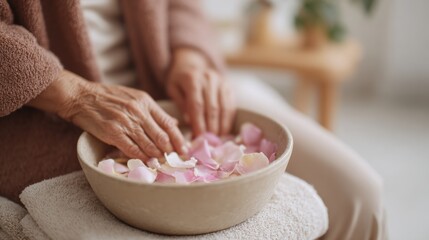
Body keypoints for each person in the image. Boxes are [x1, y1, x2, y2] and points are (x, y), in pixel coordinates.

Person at [0, 1, 386, 239]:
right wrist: (74, 95)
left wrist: (191, 55)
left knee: (359, 195)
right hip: (44, 108)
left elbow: (182, 5)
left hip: (171, 86)